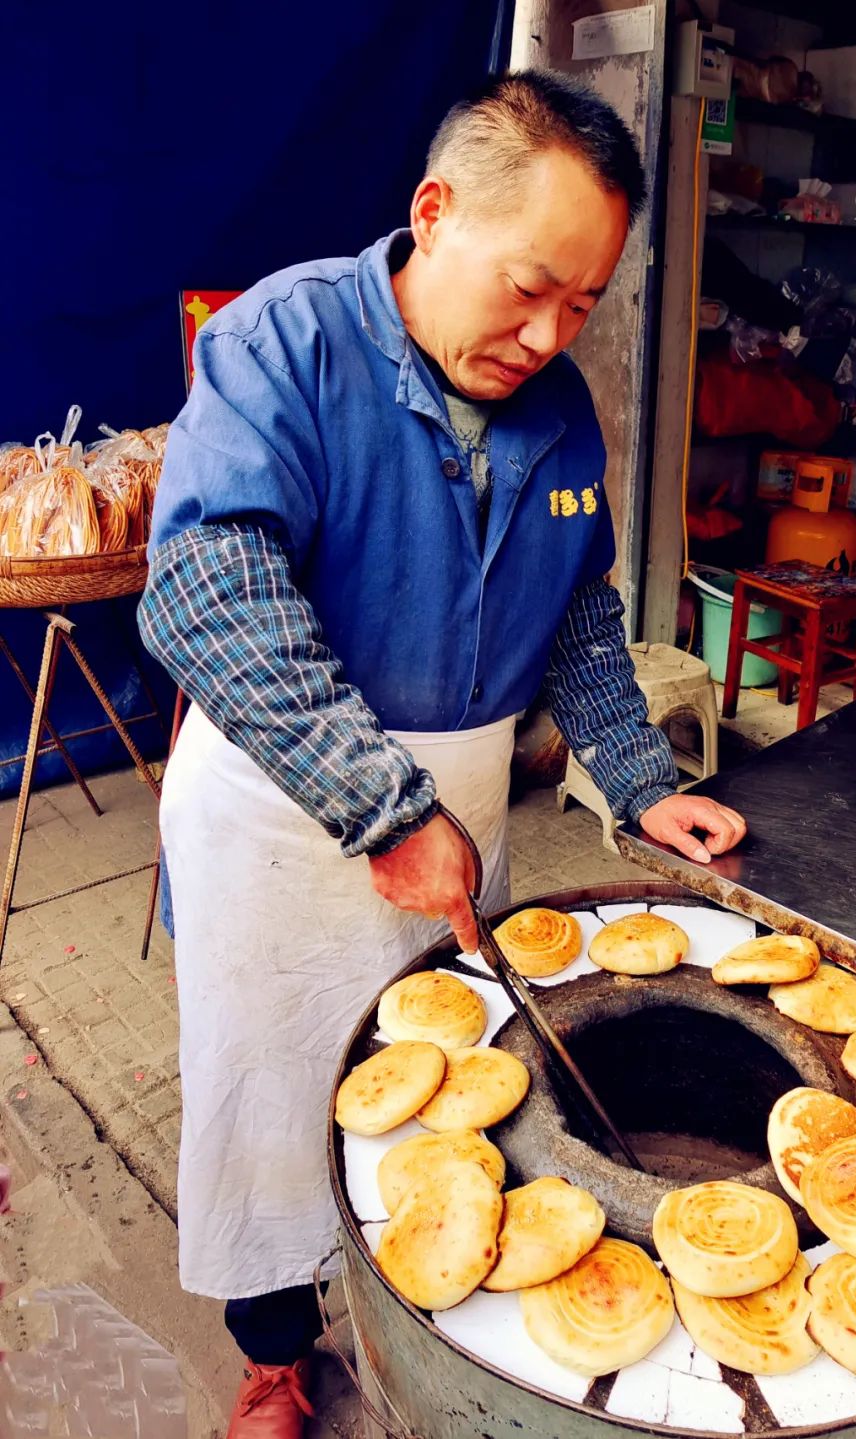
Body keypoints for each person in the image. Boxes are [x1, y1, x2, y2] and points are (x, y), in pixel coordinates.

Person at [139, 69, 746, 1438]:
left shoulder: (558, 415)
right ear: (436, 211)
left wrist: (642, 784)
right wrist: (375, 802)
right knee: (274, 1094)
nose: (547, 334)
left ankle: (413, 1311)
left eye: (581, 305)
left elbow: (581, 614)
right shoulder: (285, 342)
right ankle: (276, 1351)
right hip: (284, 818)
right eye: (530, 286)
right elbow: (205, 593)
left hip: (458, 808)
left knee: (446, 1092)